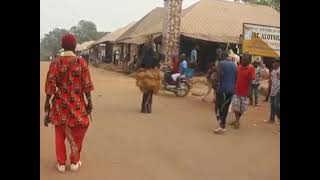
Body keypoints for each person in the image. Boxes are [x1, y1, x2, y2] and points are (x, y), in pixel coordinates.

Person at [44, 33, 94, 173]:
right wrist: (89, 102)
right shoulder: (81, 62)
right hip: (77, 104)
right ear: (74, 46)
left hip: (60, 105)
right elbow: (87, 85)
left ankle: (61, 163)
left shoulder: (55, 63)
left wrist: (47, 103)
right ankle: (74, 161)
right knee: (79, 130)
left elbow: (50, 86)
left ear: (62, 46)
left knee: (59, 133)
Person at [213, 50, 237, 134]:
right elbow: (236, 77)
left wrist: (216, 84)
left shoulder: (221, 63)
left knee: (218, 108)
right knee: (225, 108)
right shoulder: (234, 65)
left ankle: (221, 126)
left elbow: (218, 75)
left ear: (221, 56)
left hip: (222, 89)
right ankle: (222, 125)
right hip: (231, 90)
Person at [230, 54, 256, 129]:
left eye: (245, 59)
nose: (243, 61)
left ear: (249, 61)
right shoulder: (239, 67)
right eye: (243, 59)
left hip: (245, 92)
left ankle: (237, 119)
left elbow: (251, 81)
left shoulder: (251, 69)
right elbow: (235, 77)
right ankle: (237, 121)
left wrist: (250, 91)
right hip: (237, 90)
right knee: (235, 107)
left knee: (242, 108)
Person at [137, 38, 161, 113]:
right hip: (151, 73)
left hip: (146, 73)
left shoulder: (145, 53)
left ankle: (144, 107)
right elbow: (157, 61)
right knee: (150, 91)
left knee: (147, 91)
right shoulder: (154, 54)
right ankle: (147, 107)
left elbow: (141, 63)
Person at [265, 58, 280, 124]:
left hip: (278, 90)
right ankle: (272, 119)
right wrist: (269, 89)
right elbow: (270, 81)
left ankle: (278, 117)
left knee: (276, 105)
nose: (273, 64)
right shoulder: (273, 71)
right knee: (272, 105)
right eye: (273, 62)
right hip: (273, 90)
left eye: (274, 62)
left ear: (278, 63)